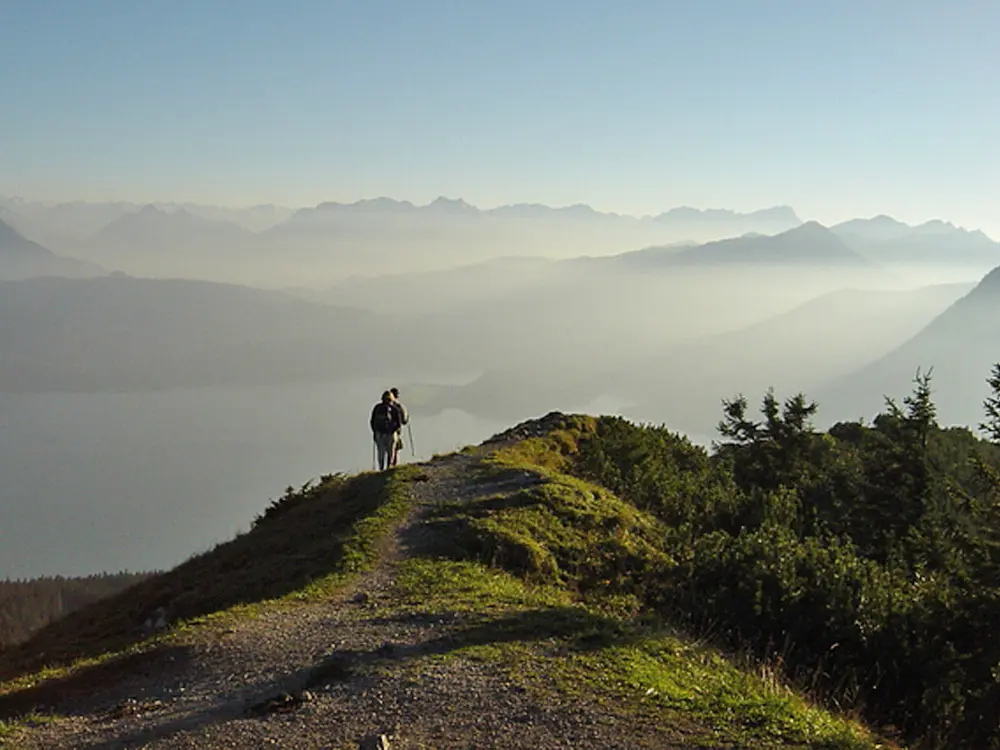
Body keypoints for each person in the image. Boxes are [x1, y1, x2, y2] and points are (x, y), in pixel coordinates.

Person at [370, 390, 402, 471]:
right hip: (390, 434)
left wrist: (375, 432)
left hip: (380, 434)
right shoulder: (395, 409)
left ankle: (382, 468)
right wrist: (394, 430)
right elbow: (399, 422)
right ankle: (388, 468)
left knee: (381, 453)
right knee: (390, 452)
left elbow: (372, 421)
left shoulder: (377, 407)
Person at [388, 387, 409, 467]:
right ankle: (393, 465)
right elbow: (404, 420)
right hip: (395, 430)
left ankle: (386, 466)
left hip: (383, 432)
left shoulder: (383, 406)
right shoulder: (399, 406)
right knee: (395, 449)